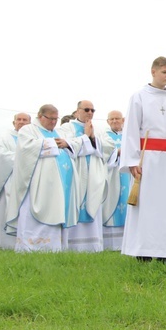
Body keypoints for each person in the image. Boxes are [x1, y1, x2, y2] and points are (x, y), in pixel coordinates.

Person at [120, 56, 166, 261]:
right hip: (147, 160)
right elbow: (131, 129)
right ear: (153, 72)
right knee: (147, 207)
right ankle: (144, 252)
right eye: (164, 72)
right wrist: (132, 161)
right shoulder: (139, 97)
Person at [5, 105, 79, 252]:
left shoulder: (59, 132)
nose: (53, 122)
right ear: (40, 116)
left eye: (55, 119)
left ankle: (55, 247)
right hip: (37, 184)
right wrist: (53, 143)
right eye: (50, 118)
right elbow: (26, 149)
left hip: (60, 184)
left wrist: (66, 144)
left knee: (57, 209)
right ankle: (30, 246)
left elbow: (73, 145)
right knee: (35, 211)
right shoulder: (29, 130)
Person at [58, 100, 107, 252]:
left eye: (93, 110)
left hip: (93, 173)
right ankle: (72, 245)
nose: (90, 113)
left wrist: (92, 138)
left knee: (92, 200)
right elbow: (63, 144)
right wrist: (85, 138)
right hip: (75, 172)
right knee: (74, 202)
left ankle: (93, 246)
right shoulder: (67, 127)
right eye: (86, 109)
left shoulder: (97, 129)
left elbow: (108, 146)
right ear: (77, 111)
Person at [0, 112, 31, 249]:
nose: (21, 122)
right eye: (19, 120)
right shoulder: (6, 137)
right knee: (5, 210)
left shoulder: (32, 138)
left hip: (28, 182)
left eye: (25, 120)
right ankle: (4, 243)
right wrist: (21, 159)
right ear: (13, 122)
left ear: (30, 123)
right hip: (8, 181)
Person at [99, 110, 130, 251]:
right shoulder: (103, 136)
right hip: (111, 175)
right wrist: (116, 153)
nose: (114, 121)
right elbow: (101, 154)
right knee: (111, 202)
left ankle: (128, 242)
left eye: (117, 118)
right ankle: (111, 244)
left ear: (123, 120)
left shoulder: (130, 135)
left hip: (129, 175)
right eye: (111, 119)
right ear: (107, 121)